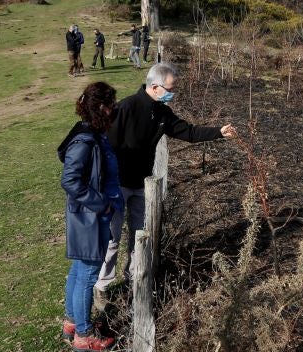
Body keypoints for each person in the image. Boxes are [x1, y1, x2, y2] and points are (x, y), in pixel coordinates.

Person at [95, 62, 237, 294]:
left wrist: (218, 132)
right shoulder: (126, 108)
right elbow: (106, 146)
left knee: (139, 236)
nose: (173, 93)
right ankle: (103, 284)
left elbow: (188, 132)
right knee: (112, 237)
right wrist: (104, 184)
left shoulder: (162, 112)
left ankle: (134, 277)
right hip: (117, 186)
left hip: (142, 186)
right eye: (170, 88)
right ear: (154, 86)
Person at [57, 81, 124, 352]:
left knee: (79, 270)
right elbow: (70, 181)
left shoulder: (94, 134)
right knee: (87, 275)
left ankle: (73, 322)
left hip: (91, 215)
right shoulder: (85, 141)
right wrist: (104, 205)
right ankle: (84, 335)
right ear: (100, 107)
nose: (114, 111)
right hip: (89, 217)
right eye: (111, 106)